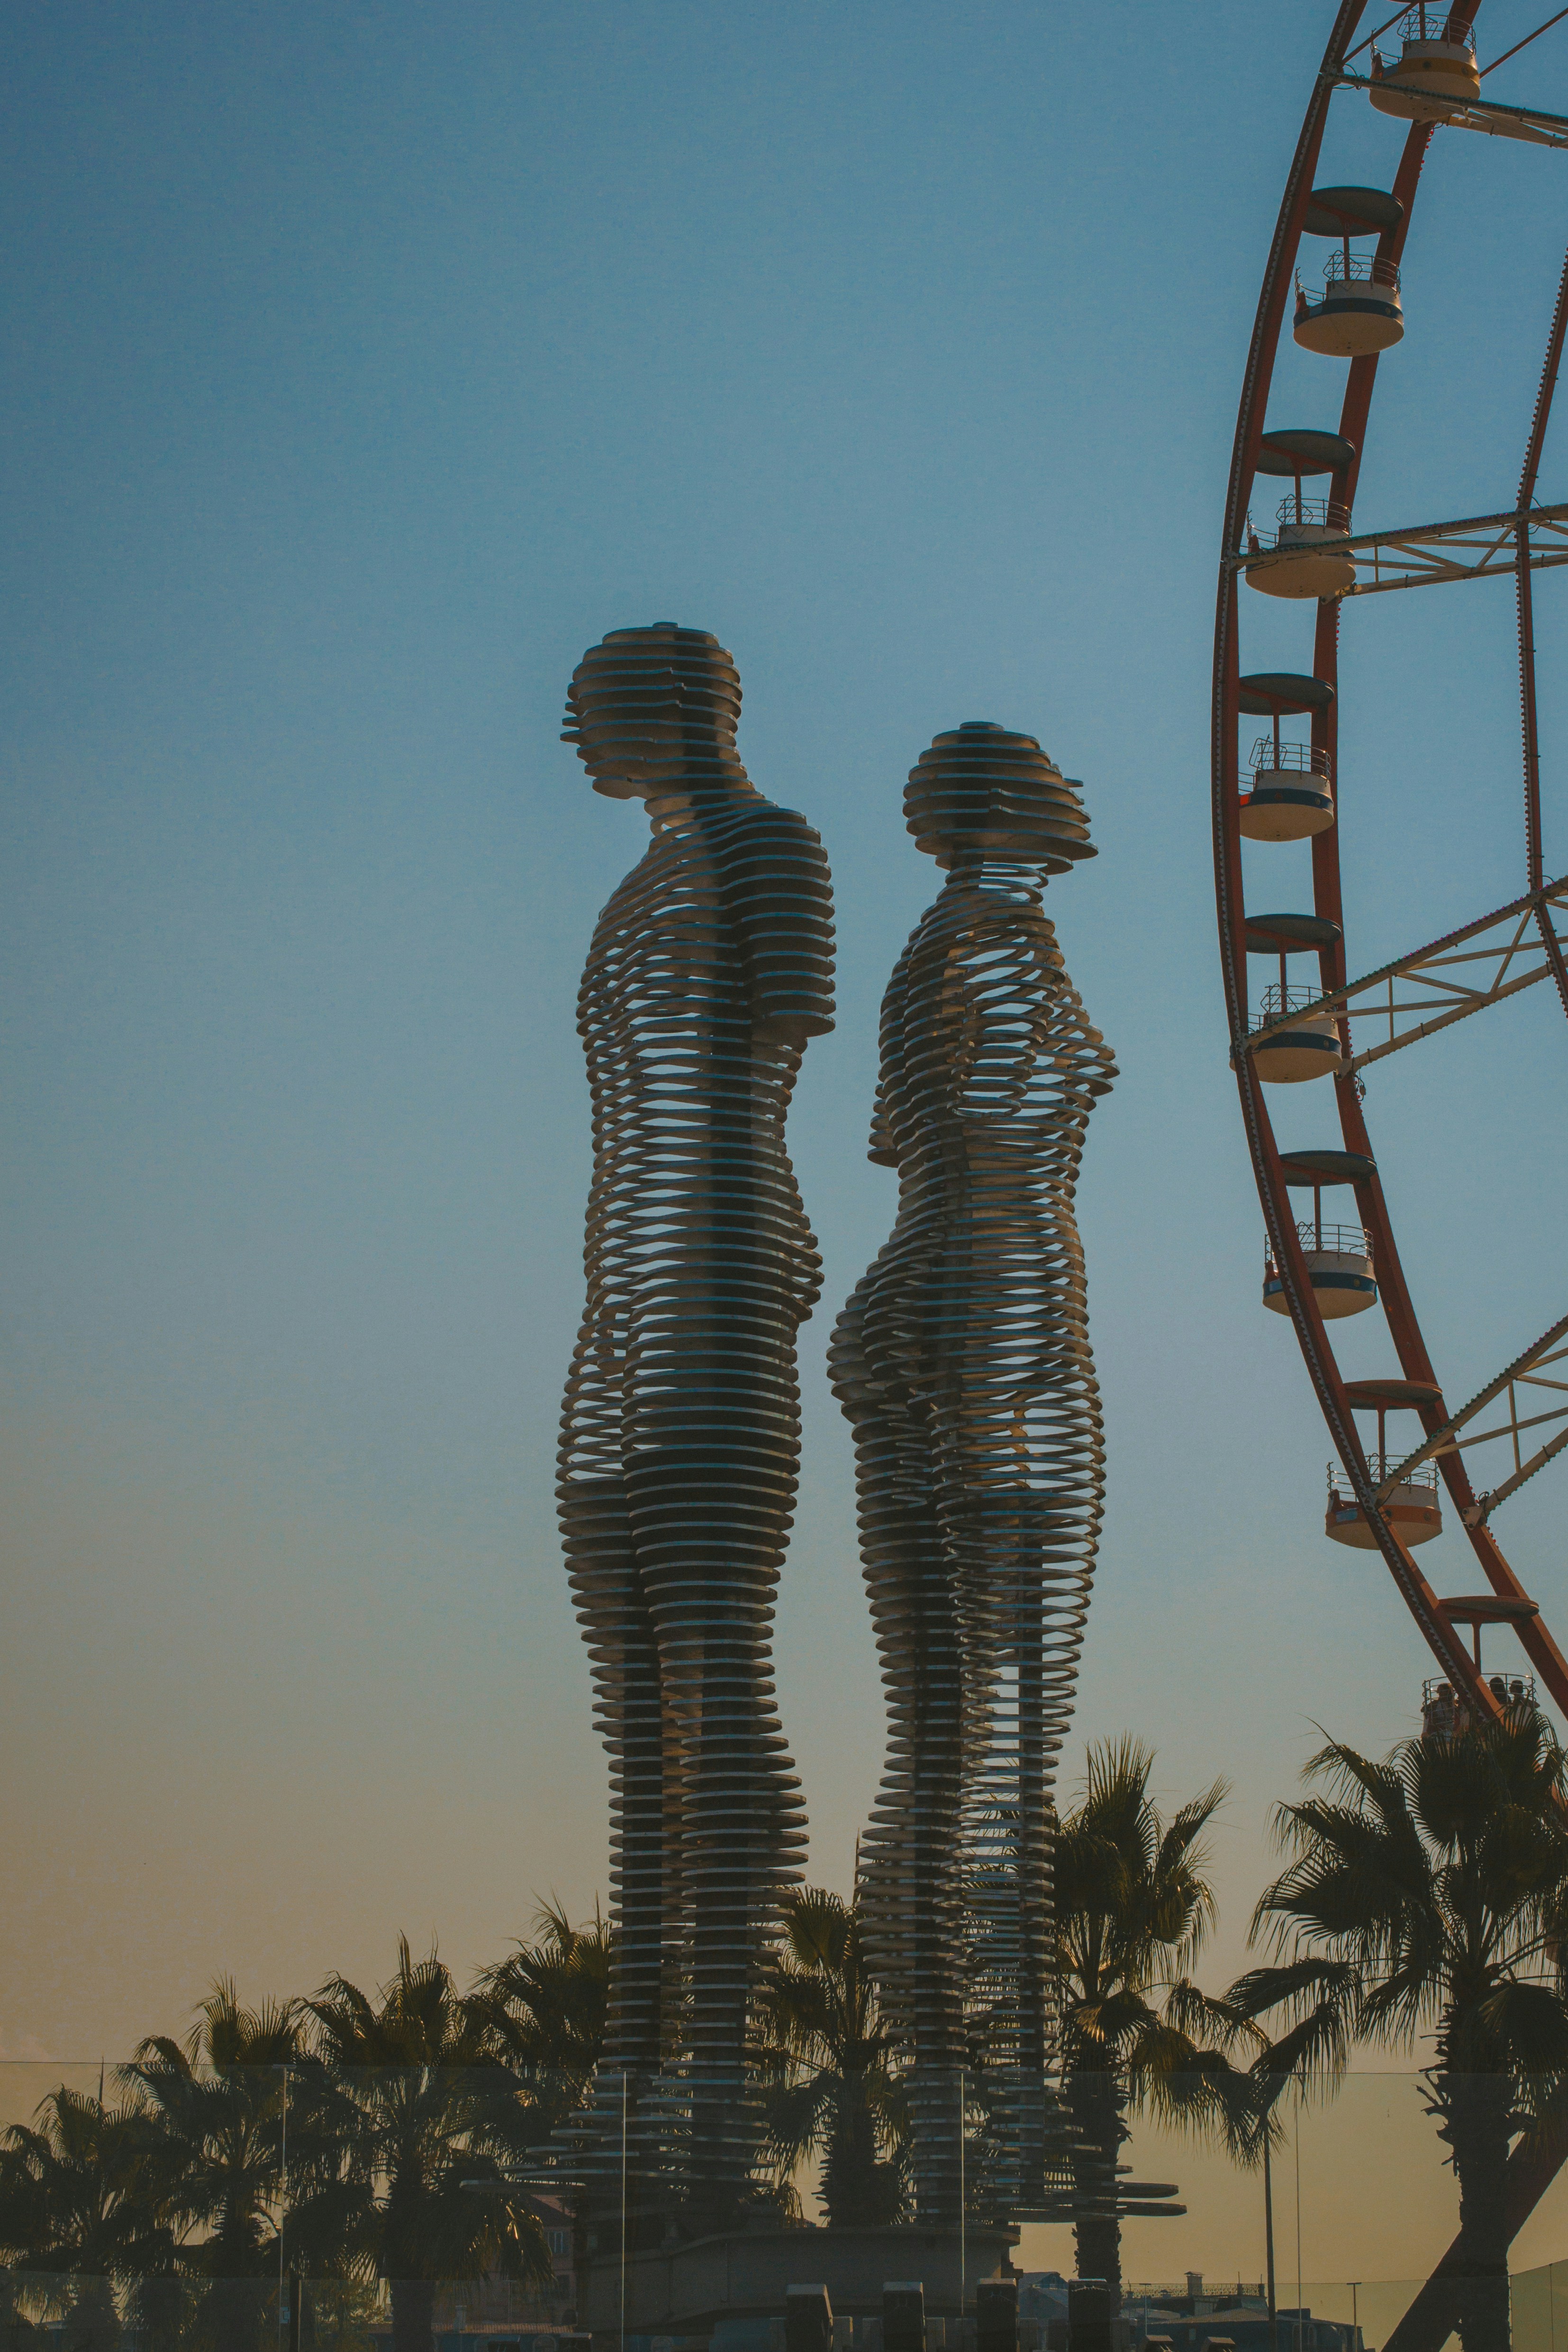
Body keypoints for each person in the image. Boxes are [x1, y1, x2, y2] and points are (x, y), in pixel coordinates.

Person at [558, 622, 834, 2228]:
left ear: (673, 705)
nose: (568, 729)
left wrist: (740, 1277)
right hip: (623, 1302)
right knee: (631, 1712)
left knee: (716, 1676)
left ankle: (707, 2082)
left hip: (717, 1287)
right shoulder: (644, 879)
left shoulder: (772, 847)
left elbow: (777, 1063)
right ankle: (628, 2073)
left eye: (590, 705)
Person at [830, 720, 1115, 2221]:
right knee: (995, 1757)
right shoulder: (987, 946)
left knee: (938, 1758)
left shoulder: (934, 950)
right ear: (1015, 815)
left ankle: (962, 2116)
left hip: (916, 1317)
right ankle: (992, 2117)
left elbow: (914, 1138)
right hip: (979, 1333)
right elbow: (997, 1127)